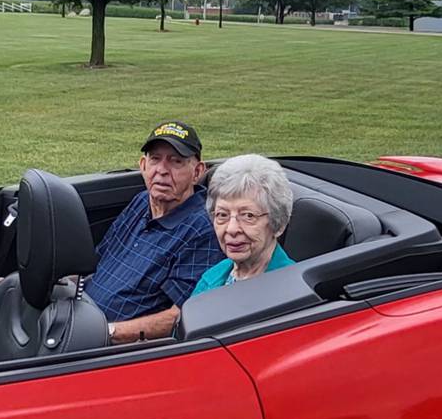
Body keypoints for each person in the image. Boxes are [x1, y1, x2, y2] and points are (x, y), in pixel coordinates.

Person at [82, 121, 224, 343]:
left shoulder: (202, 228)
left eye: (176, 161)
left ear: (197, 172)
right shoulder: (141, 202)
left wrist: (107, 332)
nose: (162, 170)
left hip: (109, 348)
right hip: (78, 319)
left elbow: (180, 316)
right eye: (155, 159)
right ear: (143, 165)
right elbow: (98, 264)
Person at [191, 154, 295, 296]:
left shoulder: (293, 291)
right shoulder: (213, 276)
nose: (231, 229)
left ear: (278, 223)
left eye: (248, 216)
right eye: (222, 215)